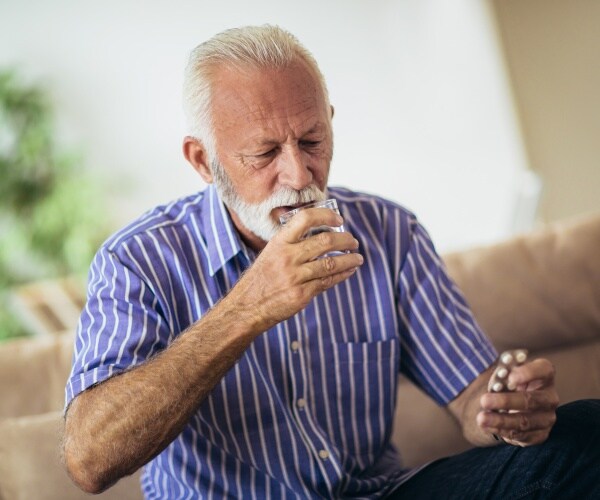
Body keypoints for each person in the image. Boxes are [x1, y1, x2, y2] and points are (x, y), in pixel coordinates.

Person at [63, 25, 599, 499]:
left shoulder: (389, 232)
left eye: (313, 139)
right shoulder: (137, 260)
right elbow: (89, 461)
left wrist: (504, 409)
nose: (299, 175)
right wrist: (248, 308)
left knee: (586, 430)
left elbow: (470, 399)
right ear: (203, 160)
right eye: (265, 153)